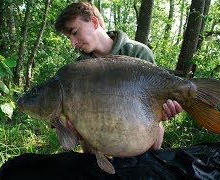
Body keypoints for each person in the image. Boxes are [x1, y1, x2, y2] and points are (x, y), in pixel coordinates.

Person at [54, 2, 183, 150]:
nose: (73, 43)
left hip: (139, 129)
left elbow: (155, 102)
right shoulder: (77, 70)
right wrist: (74, 129)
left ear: (94, 22)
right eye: (69, 37)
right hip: (99, 135)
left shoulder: (138, 53)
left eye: (75, 32)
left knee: (156, 129)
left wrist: (164, 111)